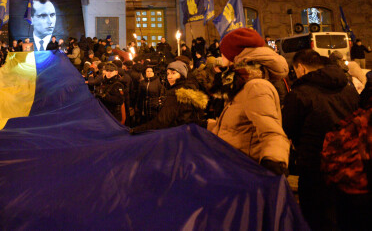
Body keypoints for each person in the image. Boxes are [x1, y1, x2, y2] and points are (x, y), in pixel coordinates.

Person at [282, 50, 361, 231]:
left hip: (314, 164)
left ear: (300, 68)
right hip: (349, 162)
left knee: (316, 217)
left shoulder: (300, 93)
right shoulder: (347, 87)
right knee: (345, 215)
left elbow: (288, 128)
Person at [208, 28, 290, 176]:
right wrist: (205, 126)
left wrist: (274, 162)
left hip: (246, 172)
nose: (220, 55)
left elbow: (272, 132)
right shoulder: (240, 83)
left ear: (235, 54)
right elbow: (241, 128)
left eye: (223, 52)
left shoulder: (256, 86)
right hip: (232, 168)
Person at [132, 61, 208, 132]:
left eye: (173, 73)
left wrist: (137, 130)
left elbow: (162, 121)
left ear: (182, 74)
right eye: (168, 73)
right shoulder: (190, 89)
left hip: (176, 134)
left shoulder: (176, 93)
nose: (169, 77)